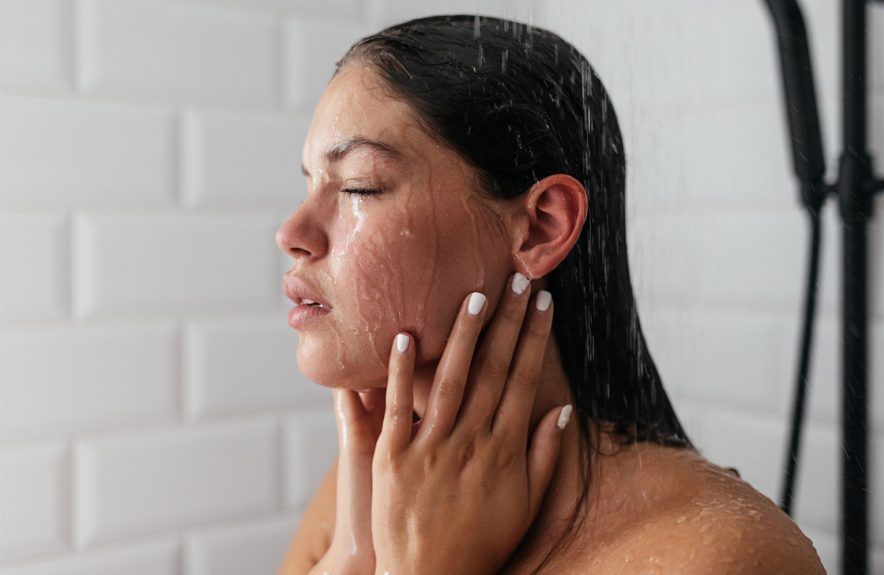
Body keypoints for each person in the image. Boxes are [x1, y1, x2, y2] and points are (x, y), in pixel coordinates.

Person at [275, 14, 825, 574]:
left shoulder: (717, 555)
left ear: (542, 226)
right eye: (309, 183)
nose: (291, 234)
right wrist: (352, 556)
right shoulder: (371, 482)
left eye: (359, 185)